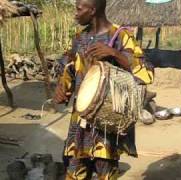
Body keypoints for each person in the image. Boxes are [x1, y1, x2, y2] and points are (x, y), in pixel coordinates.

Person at [53, 0, 152, 179]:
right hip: (79, 123)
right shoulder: (79, 38)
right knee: (74, 173)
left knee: (105, 174)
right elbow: (67, 68)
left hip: (107, 125)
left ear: (93, 10)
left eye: (79, 9)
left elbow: (146, 73)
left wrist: (115, 53)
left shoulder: (121, 36)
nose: (75, 13)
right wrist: (61, 88)